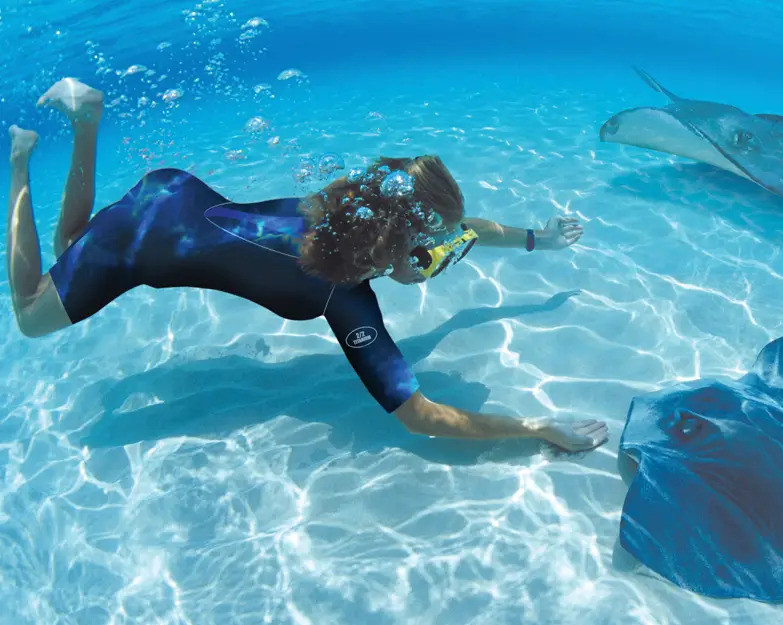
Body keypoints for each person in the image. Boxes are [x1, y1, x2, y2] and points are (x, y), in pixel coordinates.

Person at [6, 77, 608, 451]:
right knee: (33, 313)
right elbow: (422, 417)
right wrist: (537, 428)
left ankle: (87, 118)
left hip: (172, 193)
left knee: (75, 246)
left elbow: (463, 229)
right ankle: (19, 162)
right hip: (143, 241)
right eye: (423, 256)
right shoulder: (339, 294)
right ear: (395, 244)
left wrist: (539, 240)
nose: (430, 264)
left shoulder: (349, 208)